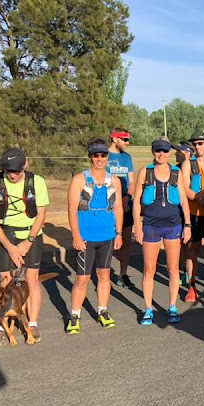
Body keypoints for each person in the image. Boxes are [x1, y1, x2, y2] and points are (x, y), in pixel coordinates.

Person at [0, 148, 49, 346]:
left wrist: (28, 242)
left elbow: (41, 215)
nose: (13, 174)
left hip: (31, 234)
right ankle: (2, 326)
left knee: (31, 279)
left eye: (17, 170)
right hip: (6, 233)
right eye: (9, 170)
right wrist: (10, 247)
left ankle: (32, 324)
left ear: (25, 164)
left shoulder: (37, 182)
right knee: (5, 280)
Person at [66, 138, 123, 334]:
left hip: (107, 236)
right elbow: (72, 209)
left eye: (103, 155)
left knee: (104, 275)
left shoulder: (114, 181)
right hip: (86, 237)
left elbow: (118, 208)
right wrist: (76, 235)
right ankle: (75, 315)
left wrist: (119, 233)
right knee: (82, 278)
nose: (100, 159)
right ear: (90, 156)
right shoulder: (79, 180)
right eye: (96, 155)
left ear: (107, 157)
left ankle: (102, 311)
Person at [133, 140, 192, 325]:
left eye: (165, 151)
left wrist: (187, 224)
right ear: (152, 151)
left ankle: (172, 306)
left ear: (169, 153)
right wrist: (137, 226)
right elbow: (136, 201)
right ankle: (148, 308)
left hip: (173, 225)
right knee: (149, 269)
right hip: (151, 225)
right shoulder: (146, 171)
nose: (161, 154)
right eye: (158, 151)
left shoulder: (176, 172)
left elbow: (183, 199)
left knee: (173, 269)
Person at [181, 130, 204, 302]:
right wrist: (198, 198)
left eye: (200, 143)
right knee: (193, 249)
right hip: (194, 213)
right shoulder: (188, 164)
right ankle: (192, 286)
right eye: (194, 144)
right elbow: (184, 187)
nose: (197, 146)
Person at [107, 129, 135, 289]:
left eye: (128, 139)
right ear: (114, 138)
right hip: (108, 204)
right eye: (124, 139)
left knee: (126, 239)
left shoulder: (127, 157)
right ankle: (104, 275)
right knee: (107, 240)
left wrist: (127, 197)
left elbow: (132, 182)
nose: (127, 143)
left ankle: (123, 274)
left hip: (125, 203)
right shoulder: (104, 155)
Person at [172, 141, 195, 283]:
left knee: (194, 243)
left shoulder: (193, 168)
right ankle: (183, 270)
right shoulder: (175, 168)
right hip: (177, 210)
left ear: (187, 153)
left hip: (192, 210)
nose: (176, 153)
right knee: (181, 243)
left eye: (179, 151)